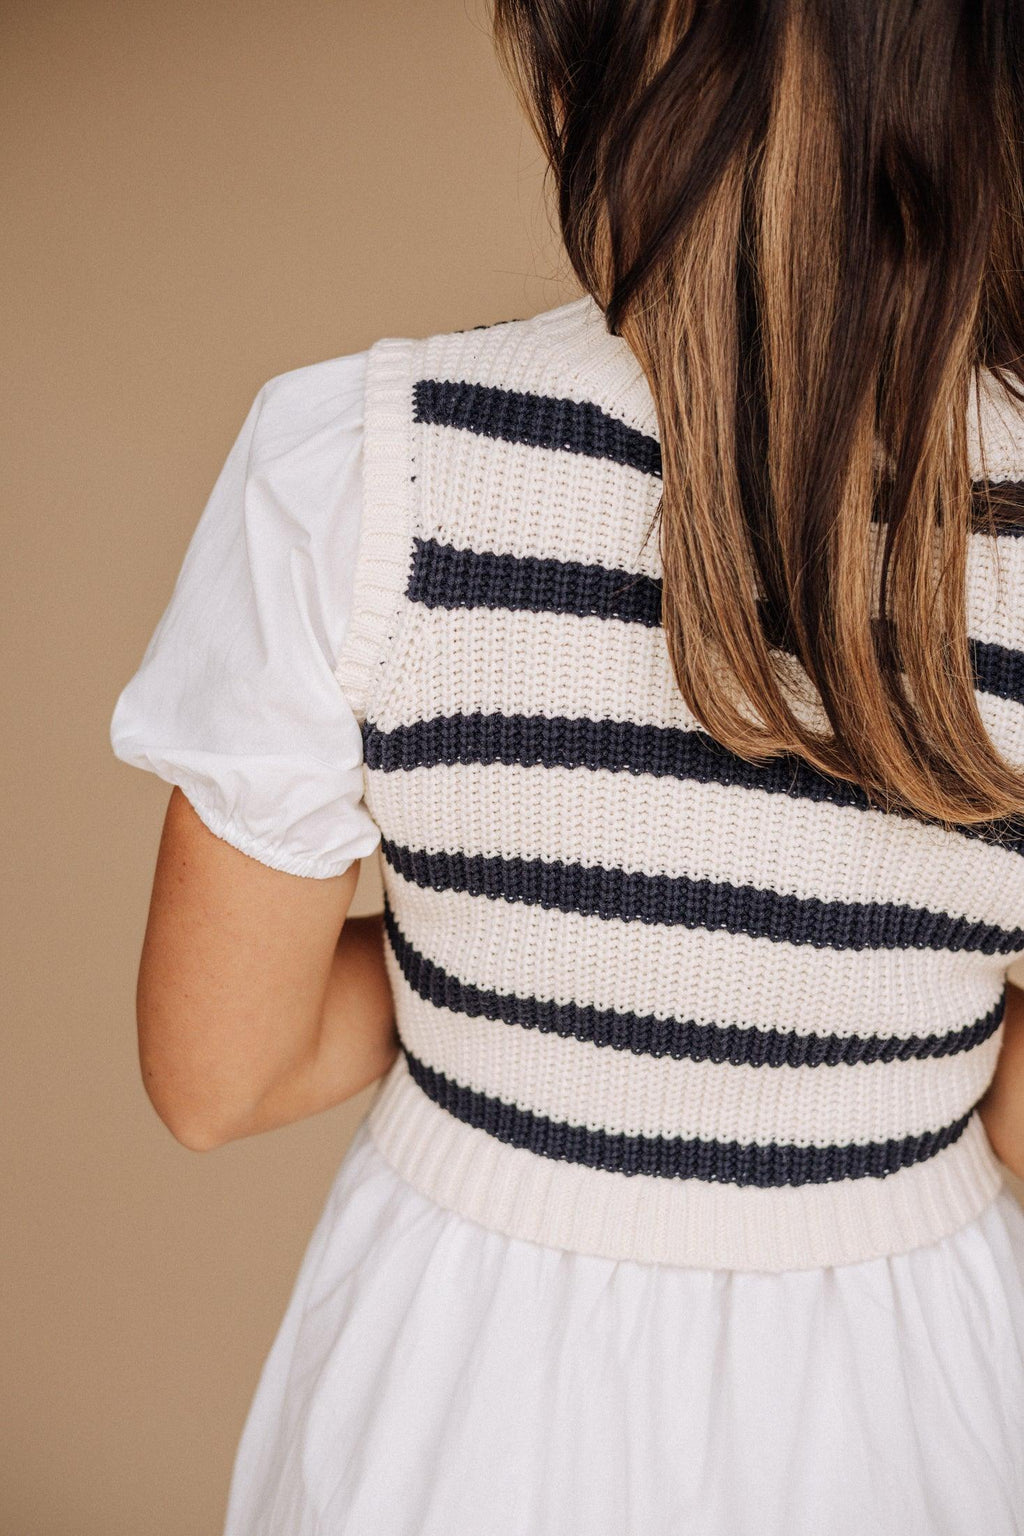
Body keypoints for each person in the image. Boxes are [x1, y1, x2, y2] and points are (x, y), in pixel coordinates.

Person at [110, 3, 1024, 1531]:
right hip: (899, 1392)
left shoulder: (372, 463)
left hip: (465, 1372)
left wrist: (508, 962)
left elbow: (223, 1073)